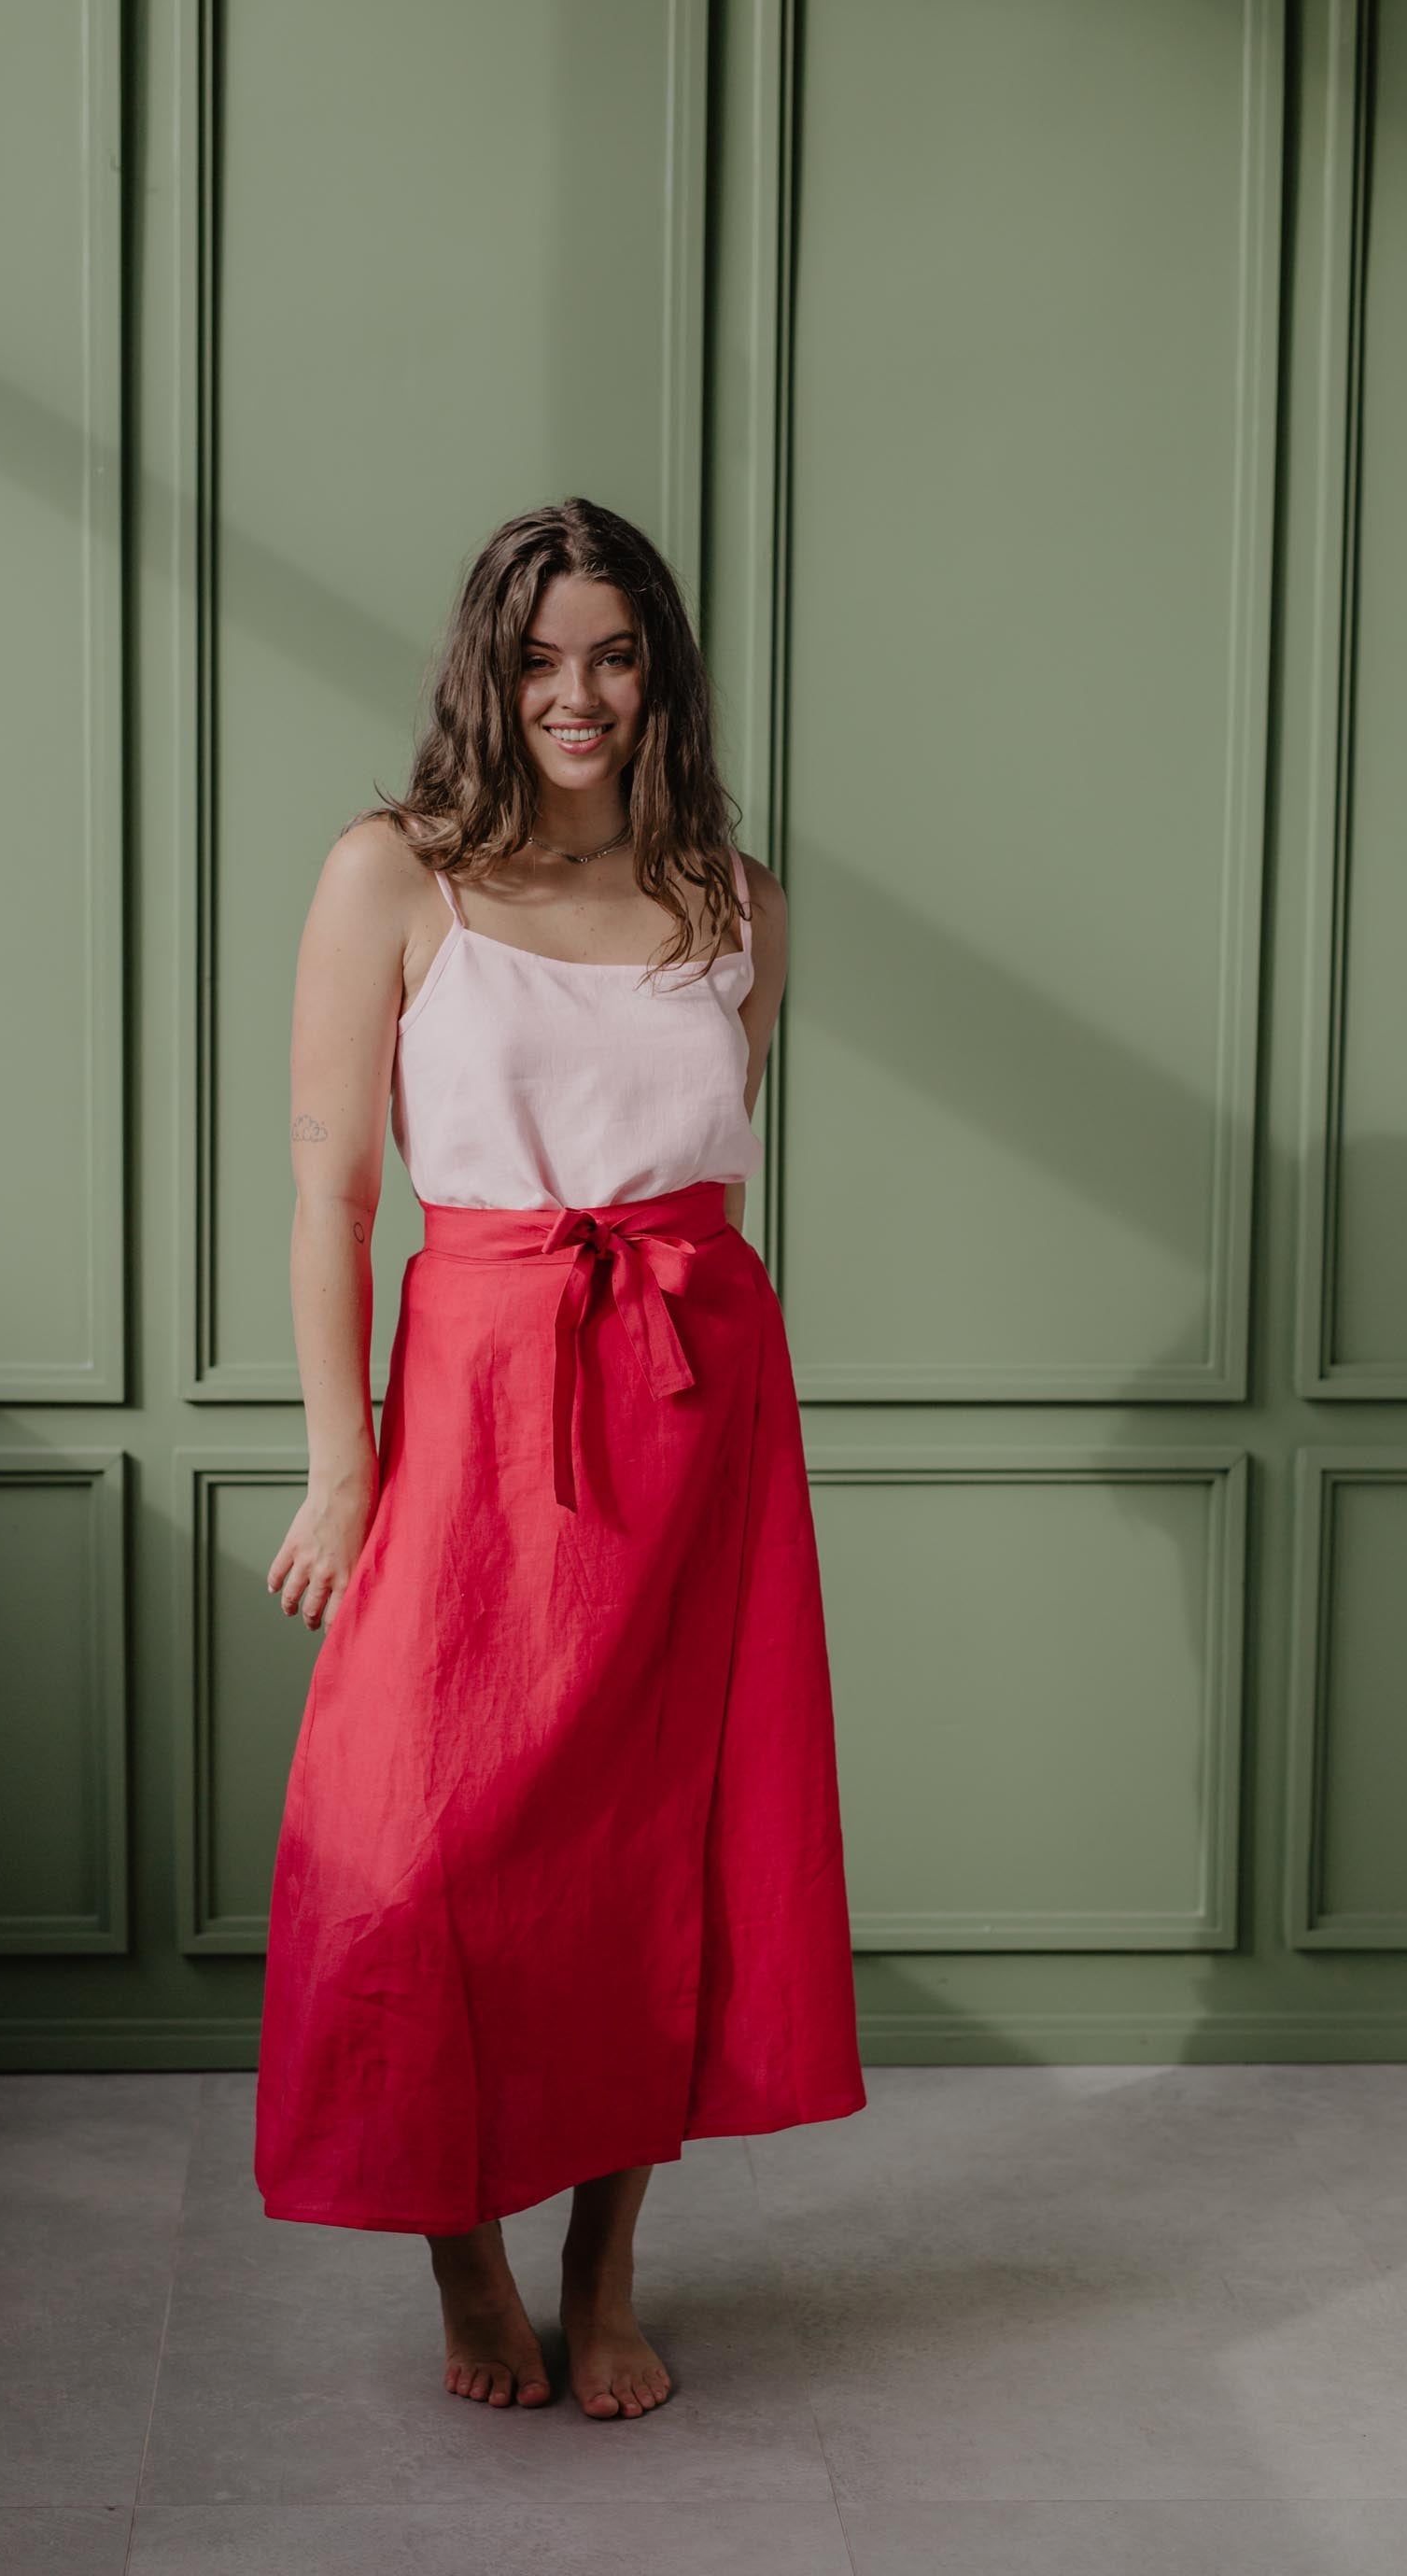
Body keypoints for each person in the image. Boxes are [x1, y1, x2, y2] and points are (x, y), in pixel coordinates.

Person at [254, 498, 865, 2422]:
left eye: (613, 654)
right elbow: (331, 1187)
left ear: (660, 672)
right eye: (538, 659)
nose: (576, 693)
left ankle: (603, 2268)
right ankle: (464, 2259)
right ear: (484, 674)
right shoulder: (394, 876)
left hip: (694, 1411)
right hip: (478, 1396)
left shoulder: (740, 905)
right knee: (423, 1848)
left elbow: (700, 1162)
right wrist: (343, 1467)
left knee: (650, 1855)